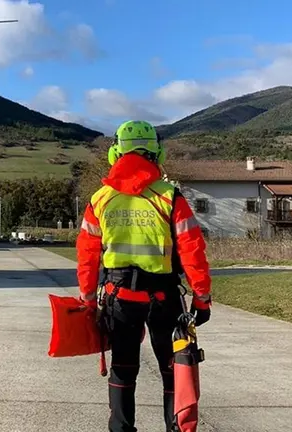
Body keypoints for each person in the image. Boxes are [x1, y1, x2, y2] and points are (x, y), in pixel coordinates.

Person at [76, 120, 212, 432]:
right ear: (157, 151)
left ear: (115, 153)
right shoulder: (170, 197)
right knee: (173, 369)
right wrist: (201, 299)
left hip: (119, 298)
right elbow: (193, 251)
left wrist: (87, 299)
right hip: (165, 300)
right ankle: (176, 427)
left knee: (123, 369)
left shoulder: (100, 199)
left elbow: (87, 256)